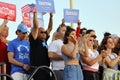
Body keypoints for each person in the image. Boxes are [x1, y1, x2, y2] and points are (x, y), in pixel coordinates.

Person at [29, 11, 53, 80]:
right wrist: (35, 14)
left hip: (46, 70)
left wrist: (51, 17)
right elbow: (36, 27)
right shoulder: (35, 41)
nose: (44, 33)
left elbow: (50, 28)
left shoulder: (44, 41)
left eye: (44, 32)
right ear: (37, 33)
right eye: (41, 32)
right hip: (37, 70)